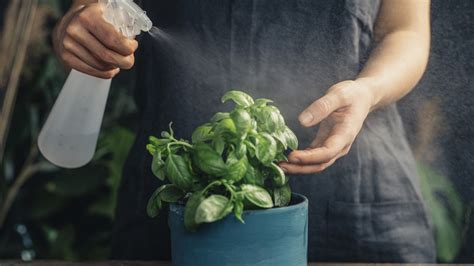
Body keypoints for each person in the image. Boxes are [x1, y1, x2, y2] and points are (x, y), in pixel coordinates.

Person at [52, 0, 435, 262]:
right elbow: (89, 10)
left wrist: (368, 90)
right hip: (180, 195)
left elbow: (405, 31)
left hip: (358, 198)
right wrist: (80, 26)